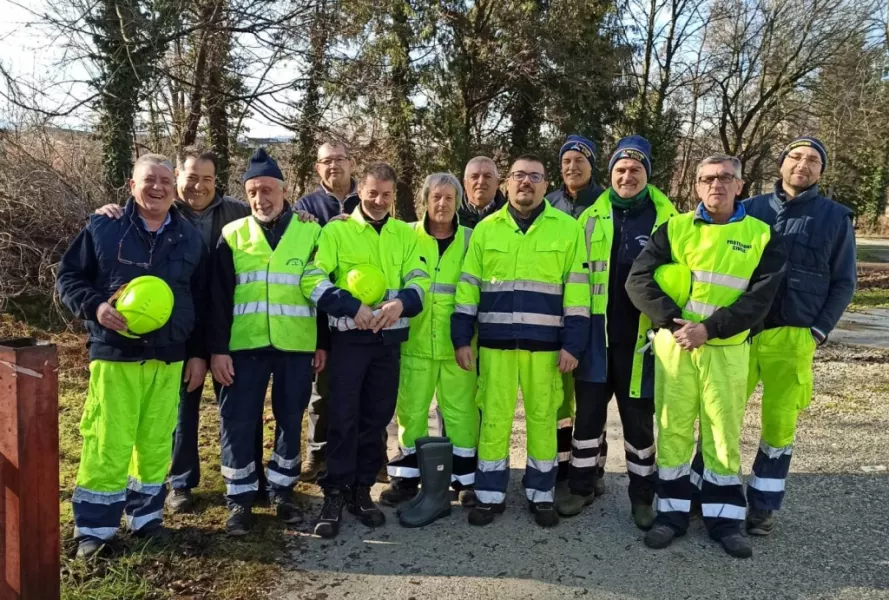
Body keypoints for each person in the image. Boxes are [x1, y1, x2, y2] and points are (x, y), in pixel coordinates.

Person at [625, 154, 785, 558]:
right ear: (696, 186)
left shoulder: (762, 234)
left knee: (721, 435)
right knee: (673, 431)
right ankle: (671, 516)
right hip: (676, 349)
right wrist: (673, 322)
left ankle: (725, 521)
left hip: (726, 351)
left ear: (740, 185)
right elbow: (637, 280)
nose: (717, 184)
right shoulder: (674, 228)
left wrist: (709, 329)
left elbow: (761, 299)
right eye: (709, 178)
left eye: (726, 178)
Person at [94, 146, 267, 514]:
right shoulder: (161, 212)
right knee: (180, 410)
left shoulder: (236, 211)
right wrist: (109, 211)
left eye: (207, 178)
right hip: (174, 333)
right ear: (178, 177)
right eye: (191, 178)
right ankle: (181, 483)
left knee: (239, 407)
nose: (199, 186)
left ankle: (252, 481)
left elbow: (275, 219)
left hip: (226, 326)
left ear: (216, 181)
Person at [57, 154, 207, 559]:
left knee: (156, 440)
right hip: (115, 352)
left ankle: (146, 519)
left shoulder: (190, 236)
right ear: (131, 185)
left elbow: (201, 299)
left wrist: (197, 355)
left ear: (174, 187)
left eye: (164, 181)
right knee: (109, 438)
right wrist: (96, 307)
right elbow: (69, 275)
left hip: (169, 354)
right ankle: (94, 529)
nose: (157, 188)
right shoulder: (104, 226)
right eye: (148, 180)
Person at [452, 154, 590, 528]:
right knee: (494, 419)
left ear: (547, 184)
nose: (525, 182)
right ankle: (490, 495)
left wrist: (573, 345)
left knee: (544, 419)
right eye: (518, 176)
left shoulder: (567, 229)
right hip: (496, 345)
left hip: (546, 348)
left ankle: (541, 494)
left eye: (534, 176)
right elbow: (468, 289)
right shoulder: (486, 230)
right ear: (506, 184)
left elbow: (578, 293)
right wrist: (462, 338)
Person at [301, 162, 430, 538]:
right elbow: (311, 278)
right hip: (349, 341)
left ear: (394, 196)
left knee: (376, 420)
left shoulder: (405, 235)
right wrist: (349, 306)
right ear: (361, 191)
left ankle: (362, 492)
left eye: (386, 195)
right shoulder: (337, 230)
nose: (379, 200)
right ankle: (334, 494)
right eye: (373, 193)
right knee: (342, 418)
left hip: (387, 342)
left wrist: (400, 304)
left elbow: (421, 280)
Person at [207, 148, 327, 535]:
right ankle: (239, 500)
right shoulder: (232, 235)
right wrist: (217, 350)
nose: (261, 198)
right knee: (237, 421)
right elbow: (218, 298)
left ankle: (282, 491)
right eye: (253, 191)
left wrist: (322, 343)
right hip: (243, 348)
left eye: (268, 189)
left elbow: (322, 291)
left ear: (284, 189)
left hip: (296, 346)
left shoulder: (311, 232)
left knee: (290, 421)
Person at [560, 136, 677, 527]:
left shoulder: (669, 221)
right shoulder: (589, 217)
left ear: (647, 174)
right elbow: (575, 280)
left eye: (635, 170)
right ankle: (580, 489)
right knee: (588, 420)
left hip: (642, 342)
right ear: (610, 175)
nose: (627, 176)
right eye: (620, 170)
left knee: (639, 423)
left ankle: (642, 498)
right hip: (596, 339)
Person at [741, 136, 856, 535]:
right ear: (782, 163)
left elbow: (844, 282)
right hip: (742, 334)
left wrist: (818, 332)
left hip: (793, 337)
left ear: (821, 170)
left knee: (778, 425)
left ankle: (763, 504)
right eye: (795, 157)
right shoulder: (749, 209)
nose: (802, 165)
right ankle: (710, 493)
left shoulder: (834, 217)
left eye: (812, 160)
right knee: (719, 417)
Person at [381, 173, 480, 509]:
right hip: (416, 344)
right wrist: (340, 216)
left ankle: (464, 480)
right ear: (425, 201)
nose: (442, 204)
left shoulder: (471, 239)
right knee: (411, 413)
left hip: (459, 345)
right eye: (436, 197)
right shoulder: (406, 235)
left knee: (462, 414)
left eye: (449, 198)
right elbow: (368, 233)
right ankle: (407, 479)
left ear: (458, 202)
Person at [293, 141, 362, 483]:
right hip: (321, 313)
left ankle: (370, 454)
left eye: (339, 159)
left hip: (361, 312)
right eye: (326, 161)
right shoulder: (306, 205)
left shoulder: (368, 197)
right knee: (322, 391)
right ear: (317, 168)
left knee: (365, 387)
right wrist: (325, 229)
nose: (333, 166)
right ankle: (316, 454)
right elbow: (300, 255)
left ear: (352, 164)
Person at [545, 134, 606, 489]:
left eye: (579, 160)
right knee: (558, 397)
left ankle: (594, 465)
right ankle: (563, 464)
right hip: (555, 314)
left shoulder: (604, 201)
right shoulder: (549, 202)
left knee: (590, 395)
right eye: (566, 161)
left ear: (592, 165)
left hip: (596, 314)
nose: (572, 167)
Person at [458, 156, 507, 228]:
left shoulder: (510, 216)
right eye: (474, 176)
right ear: (465, 183)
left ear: (497, 183)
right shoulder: (451, 215)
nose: (481, 182)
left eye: (487, 176)